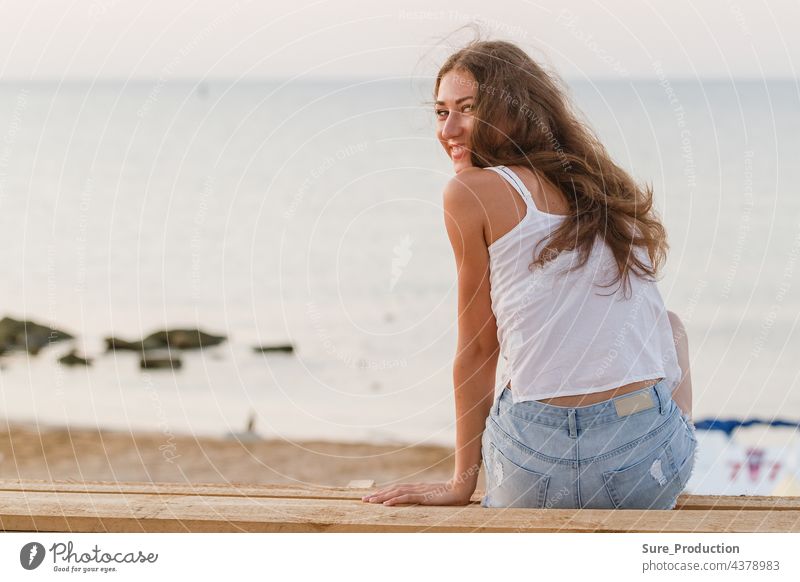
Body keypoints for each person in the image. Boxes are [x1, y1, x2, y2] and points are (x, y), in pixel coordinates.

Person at [361, 38, 697, 509]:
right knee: (673, 328)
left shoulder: (468, 192)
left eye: (467, 109)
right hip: (639, 467)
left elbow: (479, 348)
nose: (448, 129)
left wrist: (461, 483)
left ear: (513, 111)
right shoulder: (605, 192)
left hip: (535, 467)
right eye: (441, 112)